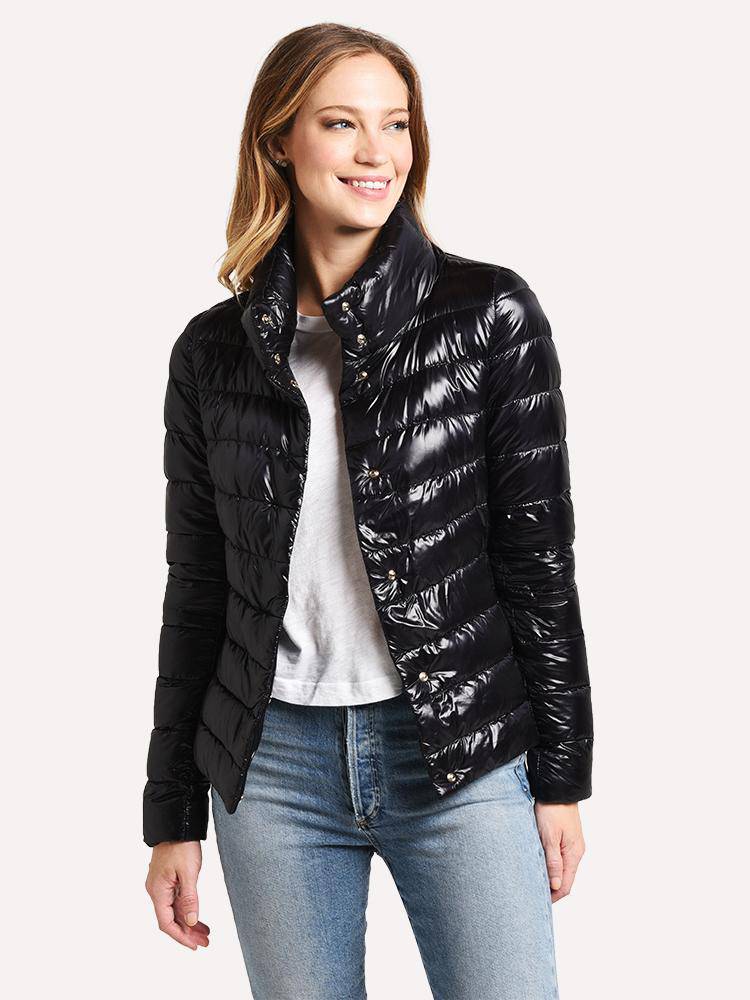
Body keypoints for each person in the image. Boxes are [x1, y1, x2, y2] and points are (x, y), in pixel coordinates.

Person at [143, 22, 593, 1000]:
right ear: (279, 142)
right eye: (341, 123)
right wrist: (170, 813)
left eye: (396, 124)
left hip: (458, 750)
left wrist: (561, 778)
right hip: (270, 767)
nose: (376, 151)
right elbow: (199, 589)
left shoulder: (489, 315)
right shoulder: (211, 355)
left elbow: (537, 564)